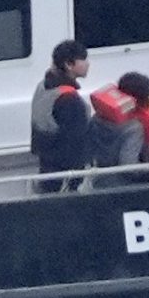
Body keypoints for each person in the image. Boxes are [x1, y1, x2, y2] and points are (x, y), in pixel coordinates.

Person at [32, 40, 92, 192]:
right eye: (83, 59)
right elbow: (75, 142)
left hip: (46, 166)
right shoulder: (69, 99)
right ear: (69, 65)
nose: (88, 64)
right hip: (66, 177)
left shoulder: (43, 86)